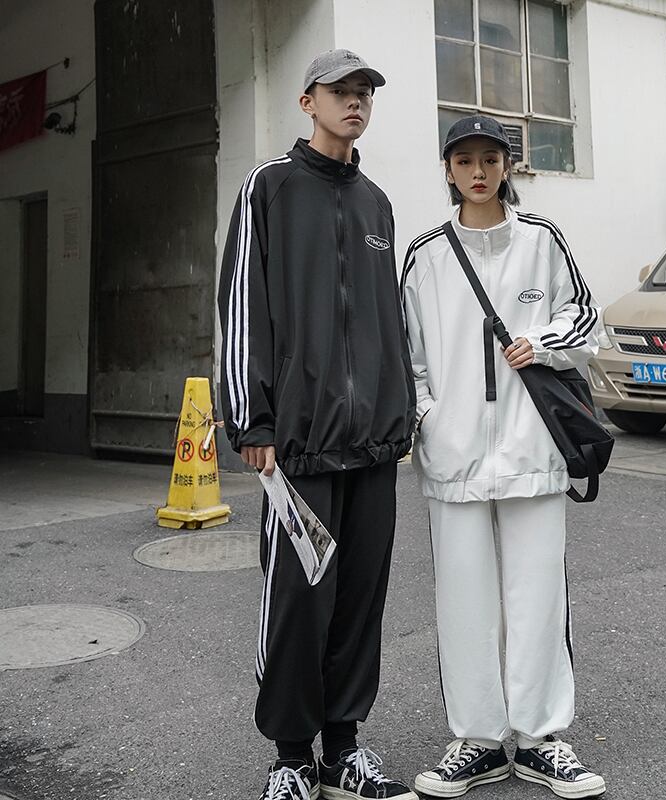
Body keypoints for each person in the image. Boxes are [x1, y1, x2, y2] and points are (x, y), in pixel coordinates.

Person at [217, 49, 417, 800]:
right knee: (300, 603)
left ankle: (343, 751)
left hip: (373, 446)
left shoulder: (376, 204)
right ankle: (292, 758)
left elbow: (387, 321)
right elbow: (241, 305)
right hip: (296, 445)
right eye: (341, 91)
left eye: (365, 92)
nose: (355, 102)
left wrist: (400, 416)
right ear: (308, 102)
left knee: (360, 601)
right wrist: (251, 419)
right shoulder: (268, 187)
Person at [402, 115, 606, 800]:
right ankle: (480, 741)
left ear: (507, 165)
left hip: (533, 447)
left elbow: (585, 318)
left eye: (490, 158)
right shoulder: (426, 254)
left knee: (538, 597)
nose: (478, 171)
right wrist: (430, 422)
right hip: (454, 454)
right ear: (448, 169)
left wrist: (541, 341)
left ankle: (541, 739)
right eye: (464, 160)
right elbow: (408, 357)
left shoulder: (542, 239)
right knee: (463, 602)